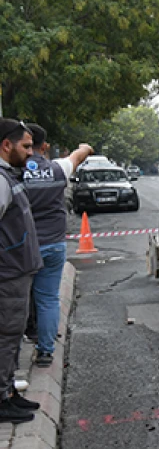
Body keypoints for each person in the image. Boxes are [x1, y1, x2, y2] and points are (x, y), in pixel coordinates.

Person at [23, 124, 93, 367]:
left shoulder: (12, 173)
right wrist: (85, 148)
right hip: (53, 245)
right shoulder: (57, 169)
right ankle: (45, 352)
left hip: (21, 248)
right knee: (49, 299)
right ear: (45, 147)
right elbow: (77, 156)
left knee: (19, 298)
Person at [0, 119, 43, 424]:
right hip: (8, 275)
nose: (31, 152)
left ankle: (9, 393)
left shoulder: (9, 176)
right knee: (5, 338)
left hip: (17, 273)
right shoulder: (0, 180)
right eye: (26, 146)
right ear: (6, 144)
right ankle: (2, 401)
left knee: (12, 338)